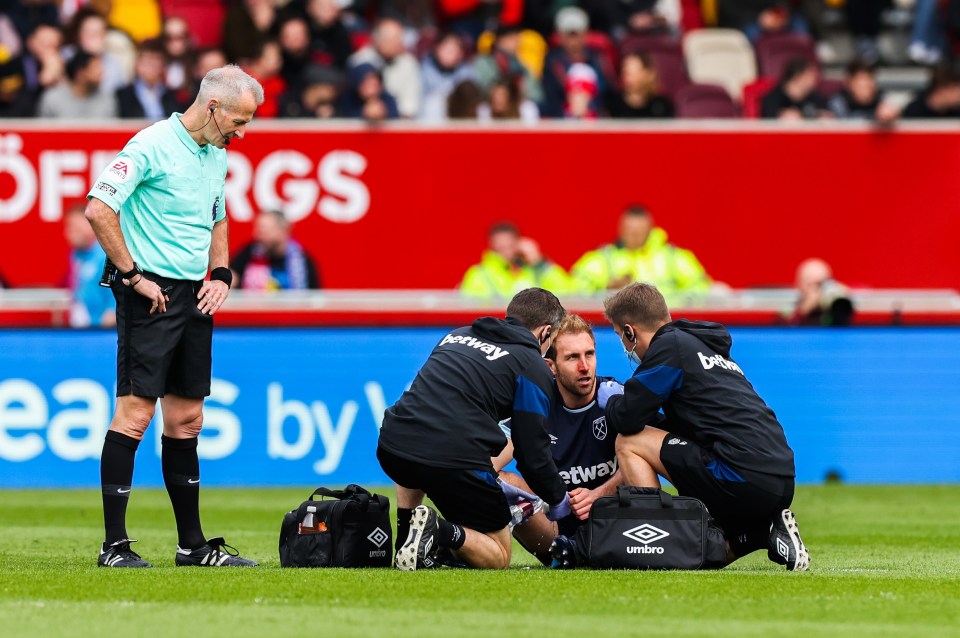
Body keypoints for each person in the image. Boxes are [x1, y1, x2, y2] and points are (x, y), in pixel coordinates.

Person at [83, 64, 264, 569]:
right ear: (212, 108)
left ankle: (193, 547)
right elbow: (99, 209)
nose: (243, 132)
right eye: (240, 120)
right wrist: (133, 275)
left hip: (192, 298)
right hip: (151, 295)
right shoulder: (151, 144)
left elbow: (217, 216)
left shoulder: (214, 153)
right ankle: (113, 546)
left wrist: (222, 273)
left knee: (187, 422)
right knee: (136, 416)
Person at [554, 282, 810, 571]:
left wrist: (611, 399)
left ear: (629, 331)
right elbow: (680, 428)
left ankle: (650, 542)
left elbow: (627, 418)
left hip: (740, 474)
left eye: (620, 337)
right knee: (707, 548)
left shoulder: (669, 349)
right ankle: (762, 533)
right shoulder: (700, 347)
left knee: (629, 442)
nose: (626, 347)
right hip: (779, 478)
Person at [377, 288, 574, 570]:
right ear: (545, 333)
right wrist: (558, 499)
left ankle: (407, 535)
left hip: (392, 445)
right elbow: (532, 454)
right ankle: (437, 530)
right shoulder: (532, 365)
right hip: (451, 458)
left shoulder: (459, 334)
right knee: (498, 554)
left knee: (417, 436)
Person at [493, 314, 624, 564]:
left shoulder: (616, 398)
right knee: (498, 482)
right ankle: (460, 543)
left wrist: (598, 494)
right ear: (550, 366)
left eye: (589, 354)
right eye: (572, 357)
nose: (584, 366)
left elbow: (645, 458)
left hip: (614, 526)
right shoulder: (534, 404)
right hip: (555, 532)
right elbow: (491, 462)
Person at [570, 205, 711, 302]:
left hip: (667, 327)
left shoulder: (674, 258)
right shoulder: (601, 260)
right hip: (617, 329)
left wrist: (667, 307)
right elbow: (574, 294)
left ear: (650, 229)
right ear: (621, 230)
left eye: (640, 231)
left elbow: (701, 291)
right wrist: (607, 291)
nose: (635, 235)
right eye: (630, 230)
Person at [460, 222, 570, 298]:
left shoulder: (533, 270)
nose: (506, 252)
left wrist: (538, 262)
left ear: (518, 244)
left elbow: (568, 293)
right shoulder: (478, 274)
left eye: (510, 246)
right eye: (501, 247)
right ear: (492, 247)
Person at [348, 18, 422, 118]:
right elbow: (350, 100)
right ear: (379, 40)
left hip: (398, 124)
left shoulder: (409, 63)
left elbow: (410, 106)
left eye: (400, 39)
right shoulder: (359, 61)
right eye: (395, 39)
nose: (400, 44)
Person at [230, 209, 321, 290]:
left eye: (263, 231)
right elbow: (232, 277)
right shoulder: (249, 252)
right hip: (254, 307)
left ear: (283, 231)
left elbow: (313, 297)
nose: (256, 235)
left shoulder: (302, 260)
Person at [64, 204, 116, 328]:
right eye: (69, 228)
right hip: (82, 327)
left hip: (100, 329)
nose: (69, 234)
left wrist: (111, 315)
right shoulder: (75, 256)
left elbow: (115, 293)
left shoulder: (105, 257)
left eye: (76, 228)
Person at [37, 49, 118, 118]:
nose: (101, 72)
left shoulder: (107, 99)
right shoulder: (52, 98)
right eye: (96, 67)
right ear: (80, 73)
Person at [116, 39, 180, 119]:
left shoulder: (172, 96)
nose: (151, 67)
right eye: (148, 61)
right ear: (138, 64)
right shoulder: (122, 96)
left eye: (156, 61)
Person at [784, 258, 854, 327]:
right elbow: (783, 329)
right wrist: (804, 311)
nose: (819, 291)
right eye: (813, 285)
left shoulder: (832, 308)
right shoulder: (790, 309)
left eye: (823, 285)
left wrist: (842, 302)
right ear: (800, 284)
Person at [604, 51, 674, 119]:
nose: (627, 77)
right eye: (626, 72)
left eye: (632, 74)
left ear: (647, 74)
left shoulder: (661, 106)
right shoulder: (612, 103)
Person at [760, 57, 830, 120]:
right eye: (810, 75)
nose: (815, 79)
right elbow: (768, 124)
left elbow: (826, 116)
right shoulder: (773, 99)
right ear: (797, 76)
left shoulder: (816, 98)